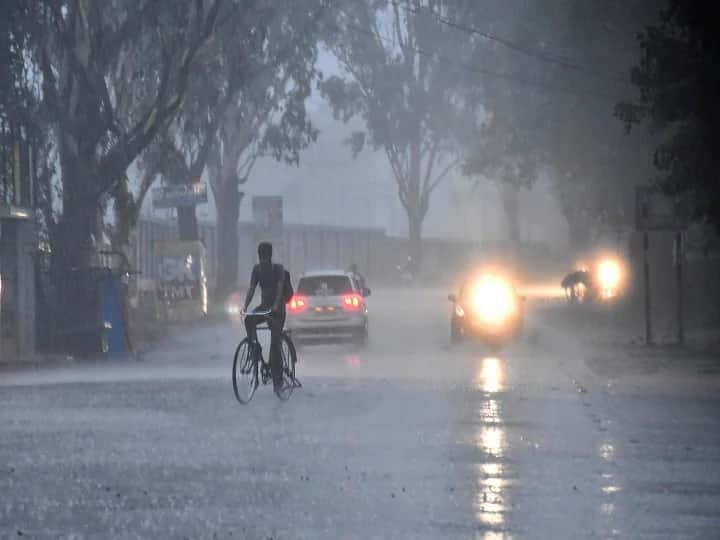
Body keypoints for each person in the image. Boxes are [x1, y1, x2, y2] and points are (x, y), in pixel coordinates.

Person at [242, 242, 286, 391]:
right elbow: (251, 289)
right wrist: (245, 307)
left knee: (275, 344)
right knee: (249, 319)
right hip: (264, 308)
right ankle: (255, 348)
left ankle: (278, 380)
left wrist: (275, 306)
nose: (263, 261)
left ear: (270, 256)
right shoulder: (257, 270)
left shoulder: (278, 269)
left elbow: (280, 289)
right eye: (261, 258)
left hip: (277, 310)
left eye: (265, 258)